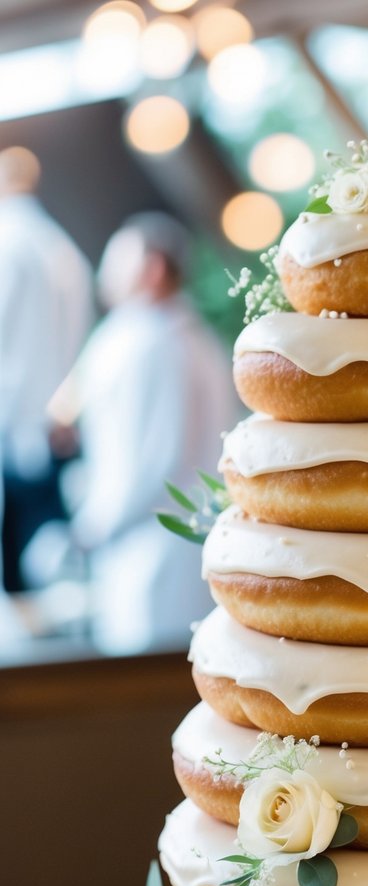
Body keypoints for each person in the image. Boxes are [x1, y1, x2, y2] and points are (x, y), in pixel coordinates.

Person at [69, 212, 239, 654]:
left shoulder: (151, 343)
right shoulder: (186, 337)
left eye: (118, 258)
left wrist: (93, 526)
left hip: (153, 545)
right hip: (164, 539)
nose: (106, 273)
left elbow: (152, 458)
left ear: (154, 268)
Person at [0, 146, 94, 595]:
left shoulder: (8, 240)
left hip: (11, 422)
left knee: (16, 566)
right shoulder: (61, 246)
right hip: (54, 424)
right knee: (49, 563)